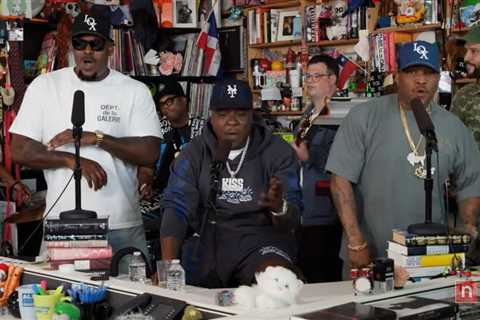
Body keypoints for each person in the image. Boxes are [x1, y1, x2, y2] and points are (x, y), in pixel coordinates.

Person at [10, 12, 161, 271]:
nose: (87, 51)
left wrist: (98, 139)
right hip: (64, 227)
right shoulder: (45, 86)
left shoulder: (134, 91)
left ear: (111, 48)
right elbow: (20, 149)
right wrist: (73, 160)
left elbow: (149, 152)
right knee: (62, 307)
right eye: (80, 43)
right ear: (71, 46)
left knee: (131, 307)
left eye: (96, 44)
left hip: (120, 224)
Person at [325, 40, 480, 274]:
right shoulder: (364, 116)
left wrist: (468, 228)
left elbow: (471, 182)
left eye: (428, 73)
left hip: (430, 257)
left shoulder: (453, 126)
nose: (421, 80)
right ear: (397, 76)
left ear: (439, 78)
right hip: (370, 252)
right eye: (411, 72)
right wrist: (355, 240)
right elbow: (340, 180)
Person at [160, 79, 302, 288]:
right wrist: (167, 268)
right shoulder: (193, 153)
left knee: (277, 282)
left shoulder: (278, 151)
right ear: (211, 116)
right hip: (207, 240)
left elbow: (294, 216)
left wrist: (279, 208)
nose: (232, 122)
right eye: (222, 114)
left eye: (241, 114)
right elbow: (176, 208)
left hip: (261, 239)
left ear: (252, 116)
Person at [290, 54, 342, 282]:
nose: (310, 81)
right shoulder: (308, 115)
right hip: (303, 213)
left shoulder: (343, 115)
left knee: (324, 279)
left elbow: (345, 166)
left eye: (317, 76)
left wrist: (308, 157)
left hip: (327, 215)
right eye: (308, 76)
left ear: (333, 79)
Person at [138, 81, 205, 200]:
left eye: (169, 101)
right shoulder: (156, 130)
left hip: (196, 197)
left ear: (184, 100)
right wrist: (145, 185)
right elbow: (147, 167)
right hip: (160, 196)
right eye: (162, 104)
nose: (165, 106)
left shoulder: (204, 129)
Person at [451, 25, 480, 147]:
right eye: (466, 51)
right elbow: (452, 144)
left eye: (473, 51)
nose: (466, 57)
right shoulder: (464, 96)